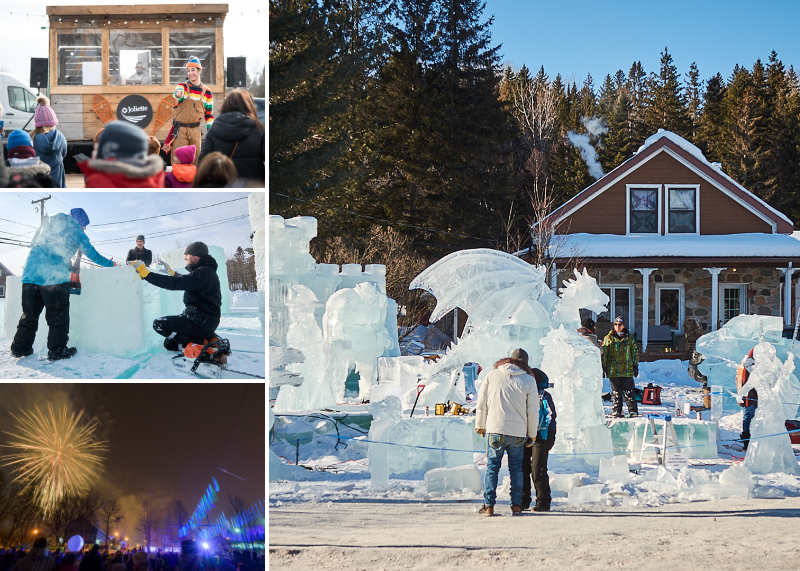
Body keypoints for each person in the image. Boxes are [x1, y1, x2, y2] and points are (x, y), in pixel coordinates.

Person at [10, 208, 117, 360]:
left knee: (29, 315)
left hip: (30, 274)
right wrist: (112, 264)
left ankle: (20, 348)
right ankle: (57, 350)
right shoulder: (76, 230)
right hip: (53, 278)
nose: (85, 228)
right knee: (58, 317)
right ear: (80, 221)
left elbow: (33, 244)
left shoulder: (47, 224)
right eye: (84, 224)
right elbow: (93, 255)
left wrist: (66, 263)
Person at [475, 347, 541, 516]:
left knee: (492, 468)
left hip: (495, 429)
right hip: (518, 432)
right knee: (516, 470)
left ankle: (489, 506)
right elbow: (533, 410)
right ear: (525, 363)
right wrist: (532, 434)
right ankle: (516, 505)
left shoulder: (492, 375)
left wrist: (480, 425)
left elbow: (481, 402)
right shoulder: (528, 380)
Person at [131, 241, 221, 350]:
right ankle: (208, 338)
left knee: (159, 324)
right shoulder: (205, 272)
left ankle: (202, 342)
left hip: (201, 321)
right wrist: (173, 273)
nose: (185, 258)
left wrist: (146, 274)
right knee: (170, 344)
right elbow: (189, 281)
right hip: (201, 319)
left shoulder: (204, 273)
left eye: (187, 255)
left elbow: (176, 283)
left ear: (196, 257)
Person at [198, 89, 264, 182]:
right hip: (253, 183)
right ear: (249, 105)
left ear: (225, 105)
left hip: (222, 183)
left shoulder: (214, 129)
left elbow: (202, 163)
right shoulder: (259, 128)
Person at [79, 121, 165, 188]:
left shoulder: (97, 181)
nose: (93, 151)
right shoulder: (155, 179)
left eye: (97, 148)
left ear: (108, 151)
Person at [162, 57, 214, 166]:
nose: (190, 73)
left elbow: (209, 116)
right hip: (180, 131)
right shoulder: (183, 86)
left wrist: (211, 132)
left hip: (196, 131)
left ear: (199, 71)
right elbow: (177, 92)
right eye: (188, 71)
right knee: (178, 160)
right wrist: (178, 94)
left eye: (193, 70)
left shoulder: (207, 92)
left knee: (196, 161)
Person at [522, 367, 556, 512]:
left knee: (538, 469)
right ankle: (523, 500)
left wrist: (548, 434)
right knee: (523, 469)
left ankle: (543, 500)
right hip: (523, 436)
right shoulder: (523, 394)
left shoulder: (543, 396)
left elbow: (550, 415)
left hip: (541, 437)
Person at [602, 316, 640, 418]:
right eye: (616, 324)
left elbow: (634, 352)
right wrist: (604, 366)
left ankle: (633, 411)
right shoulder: (608, 338)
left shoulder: (630, 338)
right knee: (616, 392)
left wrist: (635, 365)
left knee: (629, 391)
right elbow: (604, 353)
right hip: (613, 370)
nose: (617, 326)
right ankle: (617, 411)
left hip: (626, 370)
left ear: (624, 326)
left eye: (620, 324)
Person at [30, 96, 68, 188]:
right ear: (53, 122)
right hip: (58, 181)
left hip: (39, 182)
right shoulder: (61, 137)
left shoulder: (31, 138)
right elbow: (64, 154)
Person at [736, 347, 757, 450]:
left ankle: (747, 440)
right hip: (750, 398)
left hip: (746, 397)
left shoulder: (743, 364)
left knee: (747, 418)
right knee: (749, 419)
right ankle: (747, 441)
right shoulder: (750, 366)